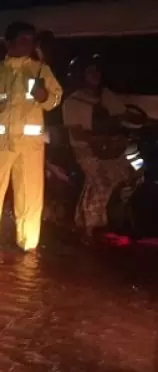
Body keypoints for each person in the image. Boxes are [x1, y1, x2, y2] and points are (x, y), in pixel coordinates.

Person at [0, 21, 62, 251]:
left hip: (29, 147)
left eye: (31, 40)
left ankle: (28, 245)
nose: (28, 45)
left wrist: (44, 96)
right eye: (23, 40)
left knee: (30, 198)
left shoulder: (40, 71)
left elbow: (55, 99)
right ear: (9, 43)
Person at [62, 55, 134, 243]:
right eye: (90, 72)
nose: (96, 75)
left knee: (130, 173)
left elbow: (123, 115)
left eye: (97, 71)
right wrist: (101, 140)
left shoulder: (106, 95)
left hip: (111, 148)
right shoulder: (72, 102)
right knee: (103, 180)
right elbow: (78, 135)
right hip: (87, 150)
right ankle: (92, 226)